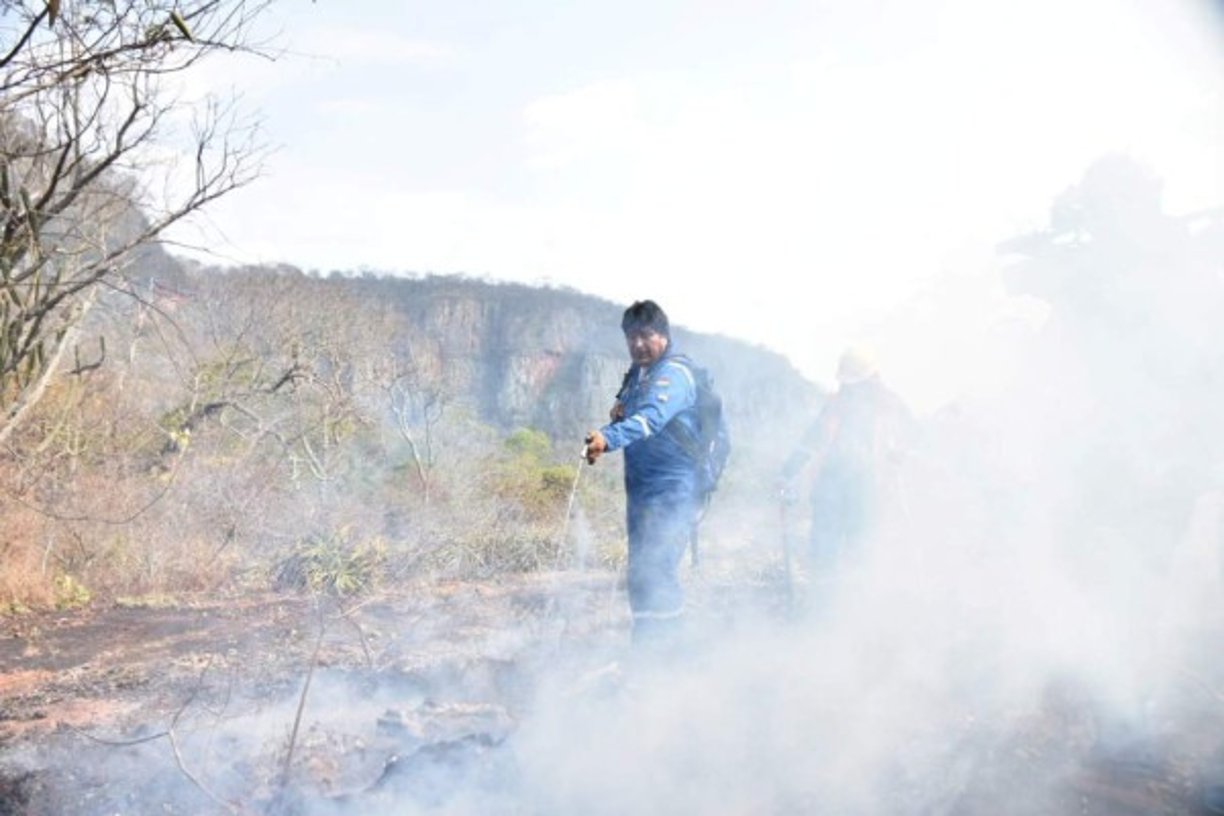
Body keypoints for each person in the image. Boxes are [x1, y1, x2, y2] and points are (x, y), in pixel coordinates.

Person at [583, 300, 705, 652]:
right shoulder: (638, 375)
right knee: (640, 575)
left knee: (658, 572)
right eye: (631, 337)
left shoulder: (673, 376)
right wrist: (605, 432)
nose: (638, 344)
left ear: (664, 335)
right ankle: (648, 653)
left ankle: (665, 661)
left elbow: (649, 419)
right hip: (642, 491)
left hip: (674, 491)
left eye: (646, 335)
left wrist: (608, 439)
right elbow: (626, 414)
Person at [781, 344, 916, 577]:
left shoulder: (890, 404)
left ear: (872, 378)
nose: (852, 390)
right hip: (831, 483)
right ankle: (825, 599)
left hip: (867, 485)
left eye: (857, 384)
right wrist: (787, 473)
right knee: (825, 549)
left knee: (859, 548)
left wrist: (901, 451)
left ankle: (853, 600)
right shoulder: (836, 404)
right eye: (850, 385)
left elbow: (915, 436)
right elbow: (811, 440)